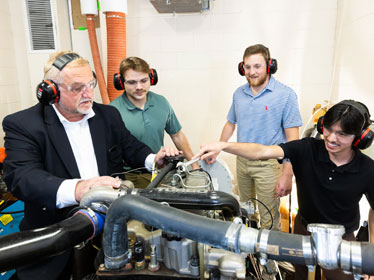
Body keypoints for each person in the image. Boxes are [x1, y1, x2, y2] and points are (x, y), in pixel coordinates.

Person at [2, 51, 181, 280]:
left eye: (91, 83)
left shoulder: (107, 115)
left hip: (108, 236)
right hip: (52, 243)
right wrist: (80, 189)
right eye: (77, 87)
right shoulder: (23, 124)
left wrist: (154, 158)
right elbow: (22, 177)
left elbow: (131, 147)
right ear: (51, 91)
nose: (88, 93)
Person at [196, 100, 374, 280]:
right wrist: (223, 145)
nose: (331, 138)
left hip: (341, 239)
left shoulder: (368, 169)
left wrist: (372, 251)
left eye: (341, 134)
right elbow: (261, 151)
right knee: (300, 275)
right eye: (328, 129)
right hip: (303, 230)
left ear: (359, 137)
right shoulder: (307, 149)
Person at [220, 44, 302, 231]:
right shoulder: (239, 94)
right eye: (247, 67)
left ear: (269, 65)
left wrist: (287, 174)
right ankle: (251, 257)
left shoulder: (285, 95)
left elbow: (293, 140)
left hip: (269, 165)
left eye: (257, 66)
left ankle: (270, 259)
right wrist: (218, 147)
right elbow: (230, 123)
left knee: (269, 219)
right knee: (245, 213)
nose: (252, 72)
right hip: (242, 163)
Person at [110, 57, 199, 187]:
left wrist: (194, 165)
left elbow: (177, 135)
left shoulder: (161, 102)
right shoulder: (113, 110)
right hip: (127, 177)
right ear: (121, 82)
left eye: (144, 81)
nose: (139, 87)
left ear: (152, 78)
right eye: (132, 82)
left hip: (157, 172)